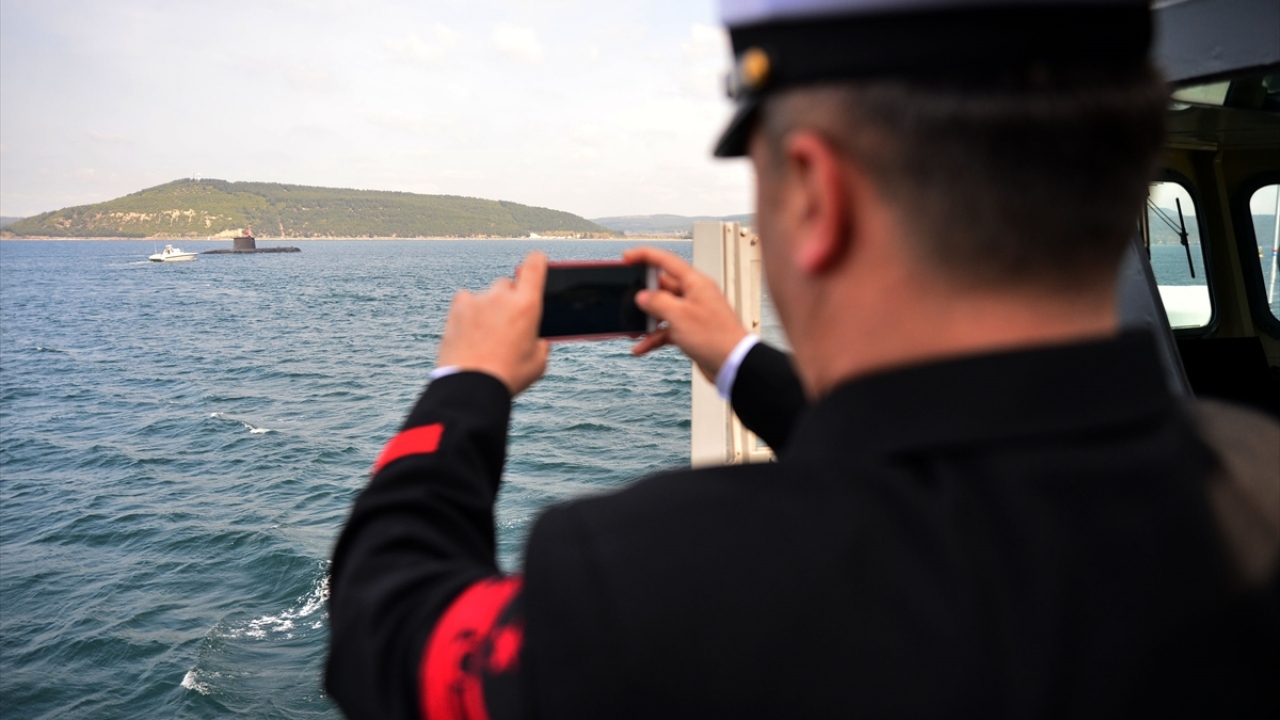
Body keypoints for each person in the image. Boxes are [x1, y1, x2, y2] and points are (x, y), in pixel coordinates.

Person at [326, 0, 1278, 718]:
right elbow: (947, 455)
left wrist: (465, 387)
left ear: (818, 196)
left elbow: (388, 628)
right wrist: (733, 355)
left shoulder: (655, 584)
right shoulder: (1256, 478)